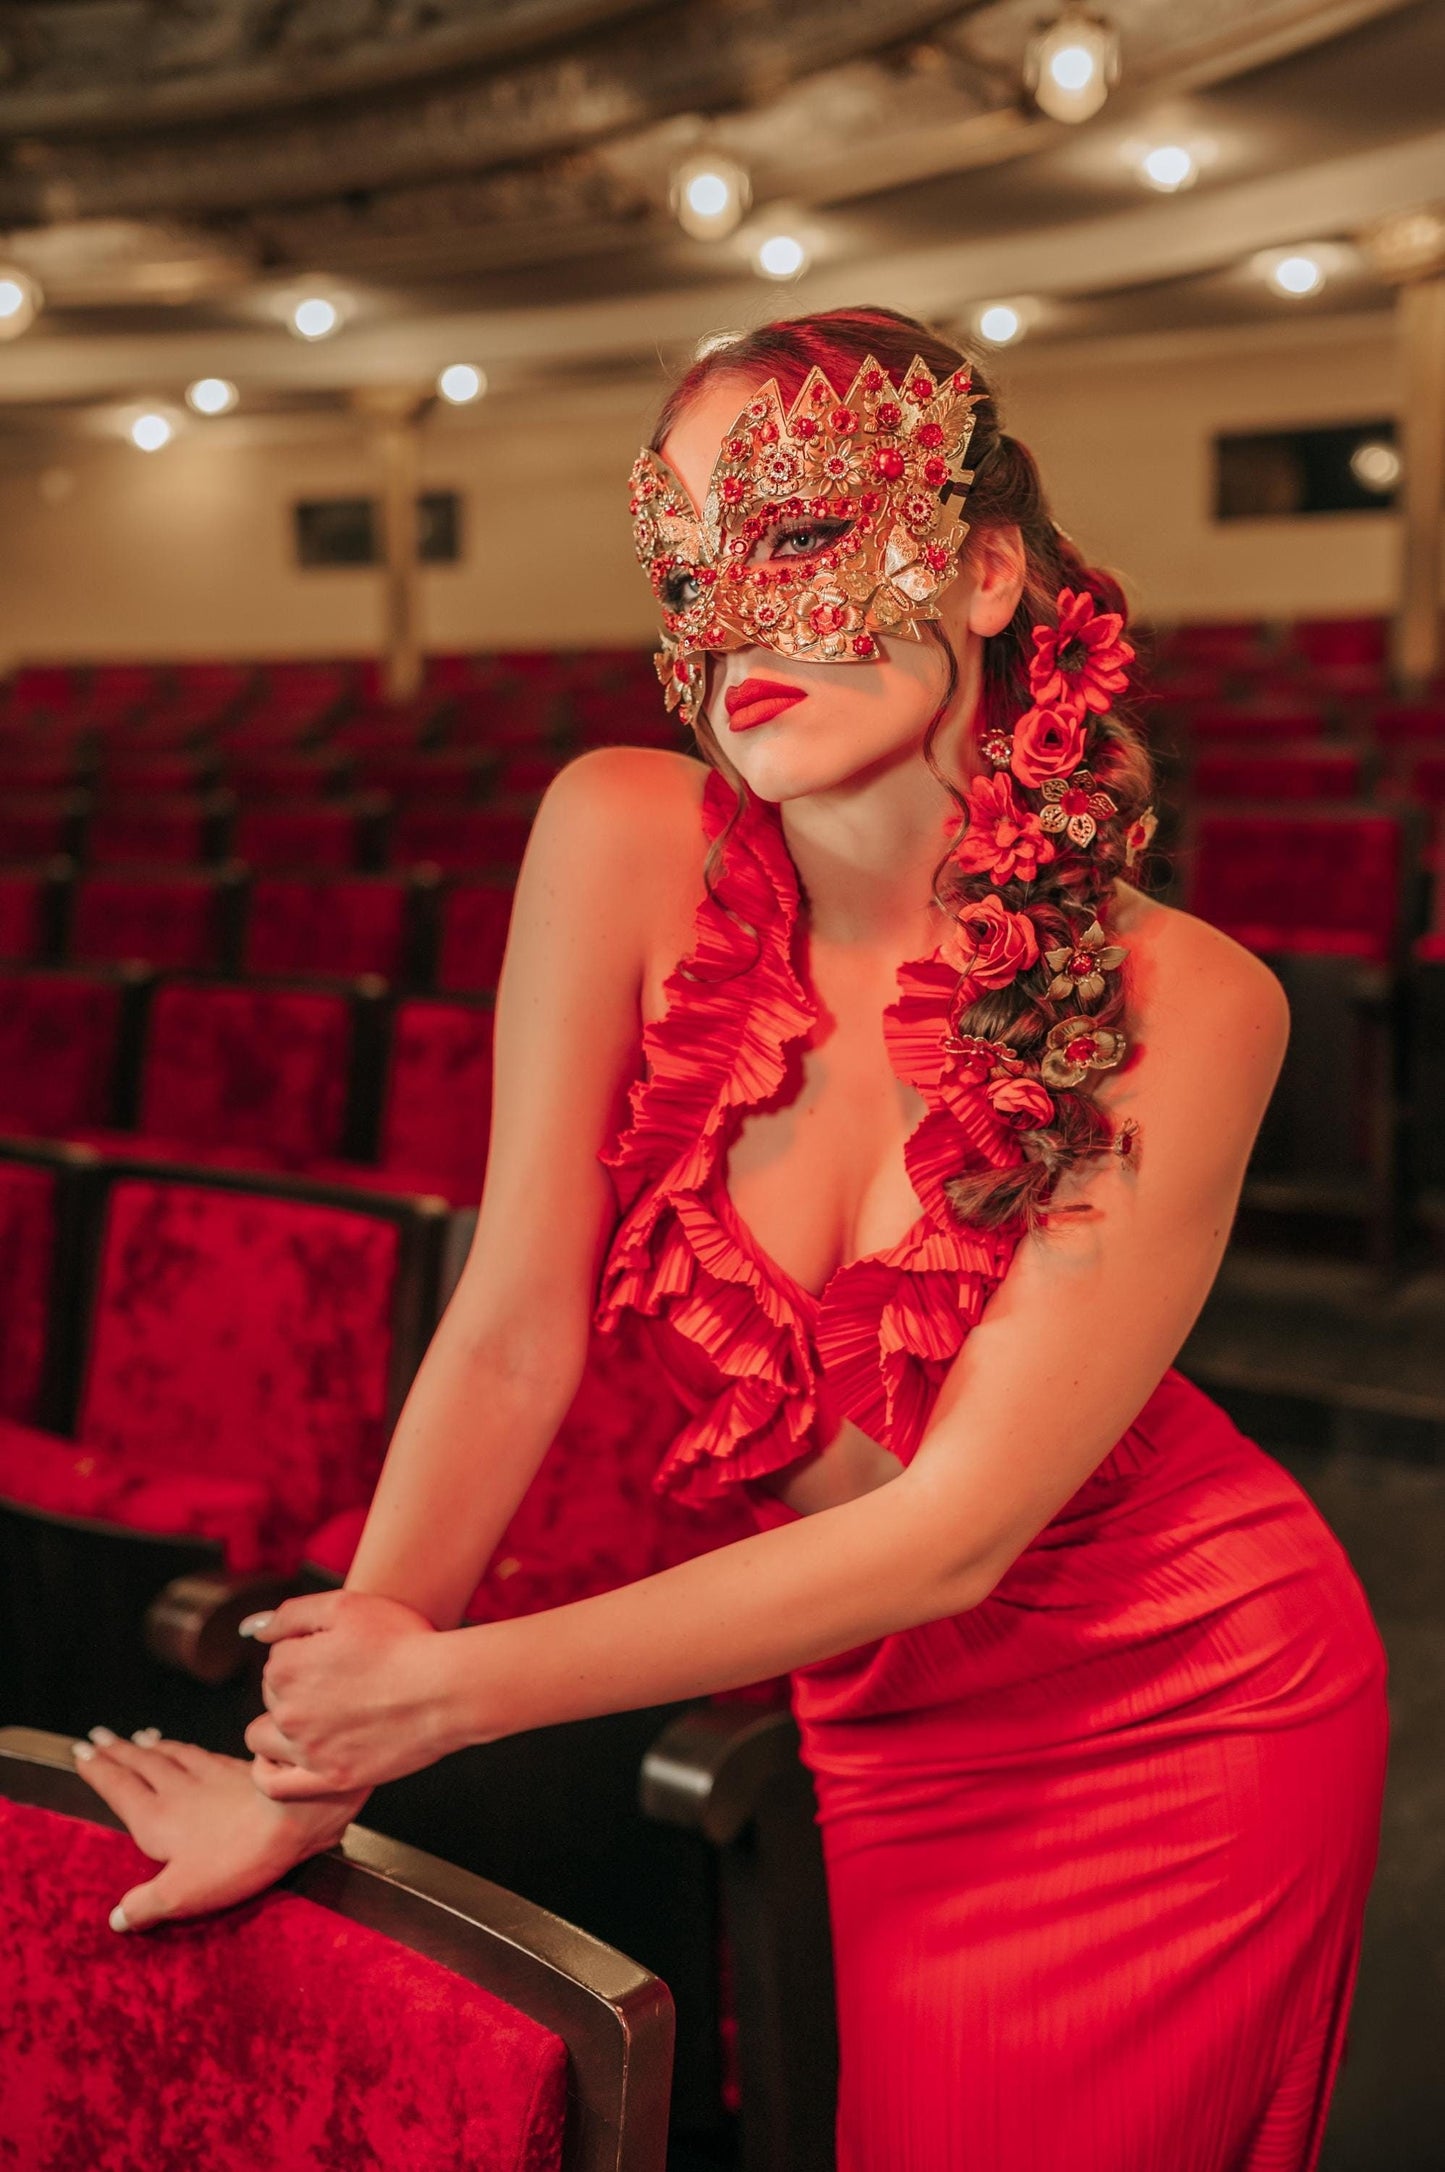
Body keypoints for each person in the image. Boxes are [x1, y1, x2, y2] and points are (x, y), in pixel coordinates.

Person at [74, 306, 1388, 2171]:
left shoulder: (1198, 998)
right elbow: (515, 1322)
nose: (732, 619)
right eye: (685, 559)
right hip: (889, 1727)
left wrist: (427, 1701)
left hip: (1185, 1708)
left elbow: (954, 1536)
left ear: (987, 569)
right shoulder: (614, 834)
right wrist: (310, 1777)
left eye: (790, 533)